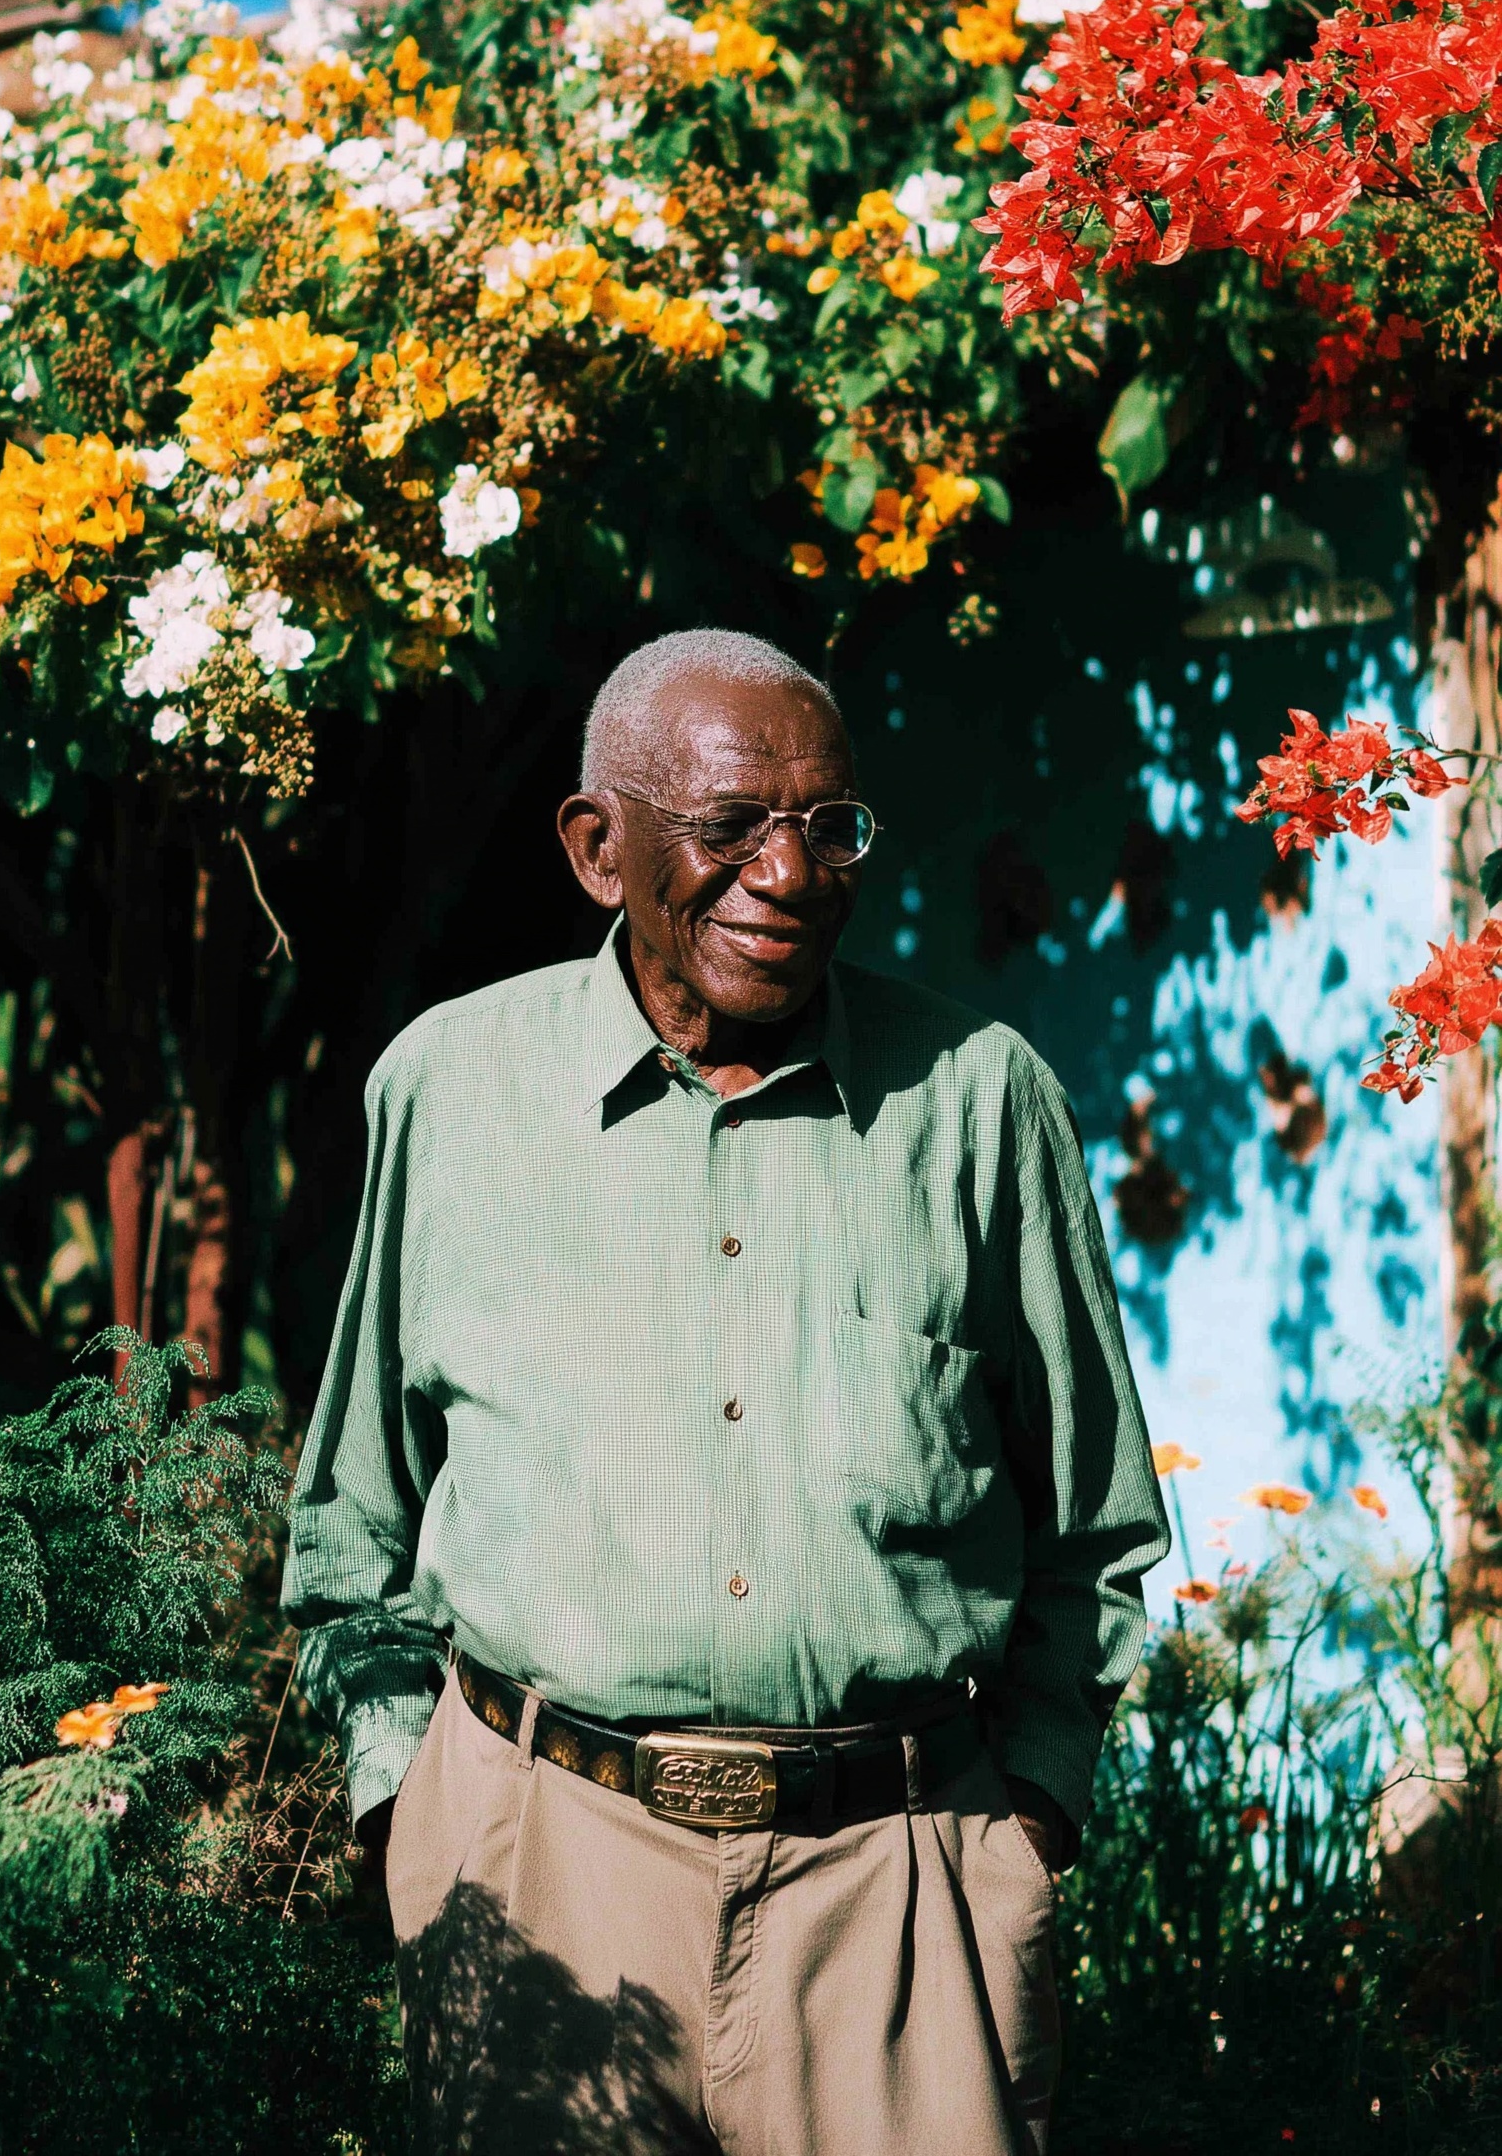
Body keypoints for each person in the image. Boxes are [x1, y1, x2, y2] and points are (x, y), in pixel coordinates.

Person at [283, 628, 1168, 2155]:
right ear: (598, 847)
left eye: (831, 827)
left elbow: (1095, 1532)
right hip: (537, 1876)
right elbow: (348, 1518)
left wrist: (1030, 1818)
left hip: (901, 1889)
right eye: (730, 825)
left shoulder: (980, 1101)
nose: (790, 871)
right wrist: (407, 1819)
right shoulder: (448, 1091)